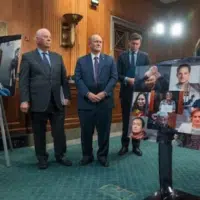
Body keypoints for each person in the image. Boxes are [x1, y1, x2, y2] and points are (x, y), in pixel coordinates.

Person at [19, 28, 72, 169]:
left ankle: (61, 155)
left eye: (49, 37)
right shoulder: (28, 57)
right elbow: (23, 81)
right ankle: (42, 158)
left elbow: (64, 80)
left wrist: (66, 96)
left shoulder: (57, 57)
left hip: (56, 102)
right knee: (39, 132)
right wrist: (24, 100)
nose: (49, 39)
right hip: (38, 102)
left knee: (59, 132)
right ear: (37, 39)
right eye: (45, 37)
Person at [74, 34, 118, 167]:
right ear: (89, 44)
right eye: (96, 41)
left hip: (104, 102)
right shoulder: (81, 61)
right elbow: (78, 79)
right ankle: (87, 156)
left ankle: (102, 156)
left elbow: (114, 78)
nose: (99, 43)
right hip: (86, 102)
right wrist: (88, 94)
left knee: (104, 131)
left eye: (100, 41)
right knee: (86, 131)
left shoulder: (110, 60)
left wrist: (104, 93)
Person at [117, 32, 150, 156]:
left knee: (137, 121)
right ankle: (124, 146)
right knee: (126, 122)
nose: (135, 46)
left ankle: (136, 147)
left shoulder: (145, 56)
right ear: (129, 43)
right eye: (133, 43)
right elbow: (117, 74)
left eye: (137, 44)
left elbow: (148, 74)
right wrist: (127, 79)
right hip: (125, 93)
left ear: (140, 44)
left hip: (139, 95)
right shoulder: (122, 56)